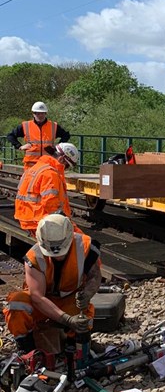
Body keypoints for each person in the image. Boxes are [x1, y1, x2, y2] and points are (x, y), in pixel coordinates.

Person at [3, 214, 101, 355]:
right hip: (41, 303)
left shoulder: (85, 247)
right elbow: (37, 297)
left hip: (69, 297)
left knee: (82, 318)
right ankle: (27, 348)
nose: (56, 256)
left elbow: (95, 276)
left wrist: (87, 294)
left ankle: (77, 343)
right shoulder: (34, 257)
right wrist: (66, 319)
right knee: (17, 304)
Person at [14, 142, 80, 235]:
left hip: (28, 218)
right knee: (83, 242)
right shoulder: (50, 174)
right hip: (39, 221)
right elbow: (52, 207)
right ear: (61, 159)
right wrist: (71, 226)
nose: (66, 168)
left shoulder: (35, 168)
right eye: (67, 165)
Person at [6, 102, 71, 170]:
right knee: (29, 181)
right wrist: (19, 146)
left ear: (45, 113)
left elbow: (66, 135)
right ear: (33, 114)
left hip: (47, 163)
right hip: (31, 163)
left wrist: (58, 147)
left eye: (42, 113)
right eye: (38, 113)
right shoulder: (26, 125)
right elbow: (10, 136)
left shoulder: (53, 126)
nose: (40, 115)